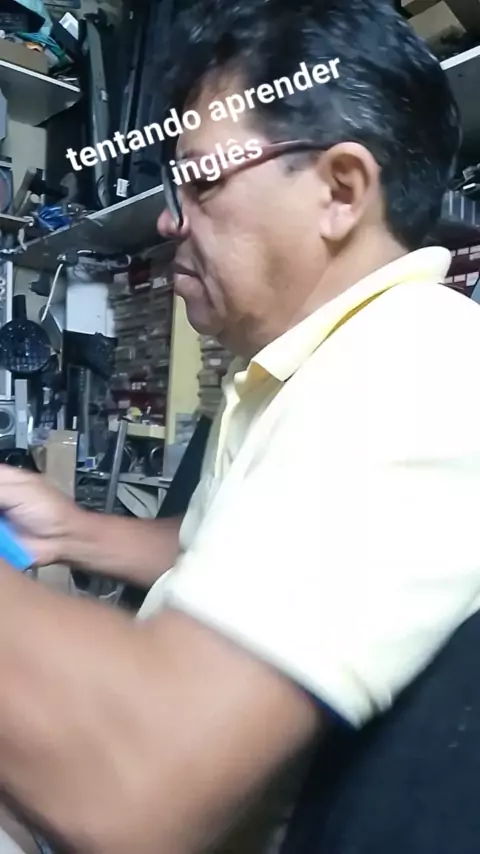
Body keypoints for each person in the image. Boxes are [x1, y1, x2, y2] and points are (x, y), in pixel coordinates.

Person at [0, 1, 478, 852]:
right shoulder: (302, 371)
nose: (170, 219)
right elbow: (231, 552)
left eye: (202, 180)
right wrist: (68, 530)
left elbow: (140, 771)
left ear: (340, 191)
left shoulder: (416, 364)